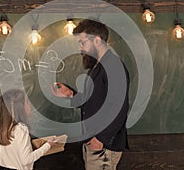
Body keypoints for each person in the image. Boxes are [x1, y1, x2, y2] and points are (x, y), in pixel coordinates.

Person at [52, 19, 130, 170]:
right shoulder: (96, 67)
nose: (80, 48)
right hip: (92, 141)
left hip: (103, 145)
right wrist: (70, 94)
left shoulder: (114, 66)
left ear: (97, 40)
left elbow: (120, 106)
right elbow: (93, 101)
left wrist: (101, 138)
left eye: (82, 42)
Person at [0, 89, 56, 170]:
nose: (29, 105)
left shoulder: (4, 128)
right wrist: (48, 145)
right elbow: (26, 160)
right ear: (20, 107)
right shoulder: (21, 129)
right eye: (27, 102)